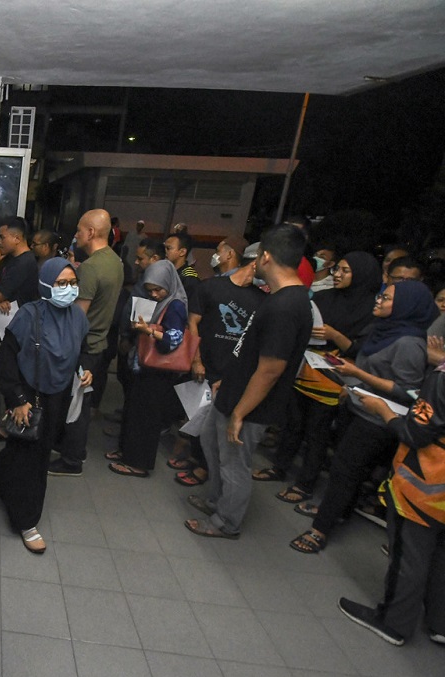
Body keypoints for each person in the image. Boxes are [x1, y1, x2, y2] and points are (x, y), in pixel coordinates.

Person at [184, 225, 313, 539]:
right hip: (233, 390)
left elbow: (270, 369)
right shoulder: (280, 298)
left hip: (249, 405)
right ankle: (216, 500)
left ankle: (226, 522)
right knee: (210, 444)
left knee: (234, 463)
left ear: (266, 257)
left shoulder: (287, 306)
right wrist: (228, 383)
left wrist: (240, 413)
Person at [289, 280, 437, 553]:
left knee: (344, 471)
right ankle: (339, 512)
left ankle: (319, 530)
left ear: (405, 306)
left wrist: (358, 375)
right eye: (381, 294)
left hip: (378, 420)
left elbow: (407, 392)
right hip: (358, 406)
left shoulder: (409, 342)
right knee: (349, 470)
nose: (379, 299)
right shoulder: (385, 331)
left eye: (387, 298)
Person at [253, 252, 382, 499]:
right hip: (304, 369)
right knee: (293, 425)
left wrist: (334, 336)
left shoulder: (370, 310)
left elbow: (363, 351)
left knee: (317, 433)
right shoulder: (321, 297)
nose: (337, 275)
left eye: (345, 271)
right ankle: (279, 467)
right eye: (338, 270)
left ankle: (305, 484)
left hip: (334, 380)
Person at [337, 360, 445, 646]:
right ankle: (440, 622)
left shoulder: (441, 378)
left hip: (428, 487)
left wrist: (384, 411)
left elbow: (416, 434)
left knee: (409, 555)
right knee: (441, 557)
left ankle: (393, 623)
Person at [0, 258, 91, 554]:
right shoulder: (28, 317)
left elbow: (82, 351)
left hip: (57, 397)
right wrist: (17, 400)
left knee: (36, 449)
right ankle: (26, 521)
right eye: (61, 283)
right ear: (46, 284)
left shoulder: (78, 318)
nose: (68, 289)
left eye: (72, 283)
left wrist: (87, 367)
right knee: (29, 459)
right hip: (28, 395)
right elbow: (5, 361)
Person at [176, 245, 266, 486]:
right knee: (196, 415)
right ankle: (196, 458)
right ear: (255, 264)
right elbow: (193, 324)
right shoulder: (210, 287)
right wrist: (196, 360)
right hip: (205, 364)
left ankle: (206, 468)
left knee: (215, 426)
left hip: (232, 372)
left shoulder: (262, 300)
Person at [49, 209, 124, 476]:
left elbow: (77, 317)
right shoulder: (115, 262)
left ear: (91, 233)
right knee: (81, 402)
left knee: (76, 406)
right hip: (99, 343)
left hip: (84, 346)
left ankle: (71, 460)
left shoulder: (92, 268)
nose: (76, 235)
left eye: (79, 230)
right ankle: (67, 447)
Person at [107, 260, 188, 477]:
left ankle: (138, 463)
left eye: (158, 290)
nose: (154, 295)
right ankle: (126, 451)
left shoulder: (176, 305)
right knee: (134, 412)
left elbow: (174, 340)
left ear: (169, 284)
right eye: (150, 290)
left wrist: (148, 331)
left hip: (159, 372)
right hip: (144, 366)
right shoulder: (159, 300)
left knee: (147, 418)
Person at [0, 216, 39, 443]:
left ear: (16, 237)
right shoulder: (14, 259)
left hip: (12, 330)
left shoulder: (24, 263)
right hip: (3, 325)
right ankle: (3, 414)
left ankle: (6, 427)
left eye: (3, 237)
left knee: (7, 376)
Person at [165, 231, 200, 298]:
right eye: (164, 248)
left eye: (168, 248)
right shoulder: (166, 271)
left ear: (182, 252)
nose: (165, 251)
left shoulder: (189, 278)